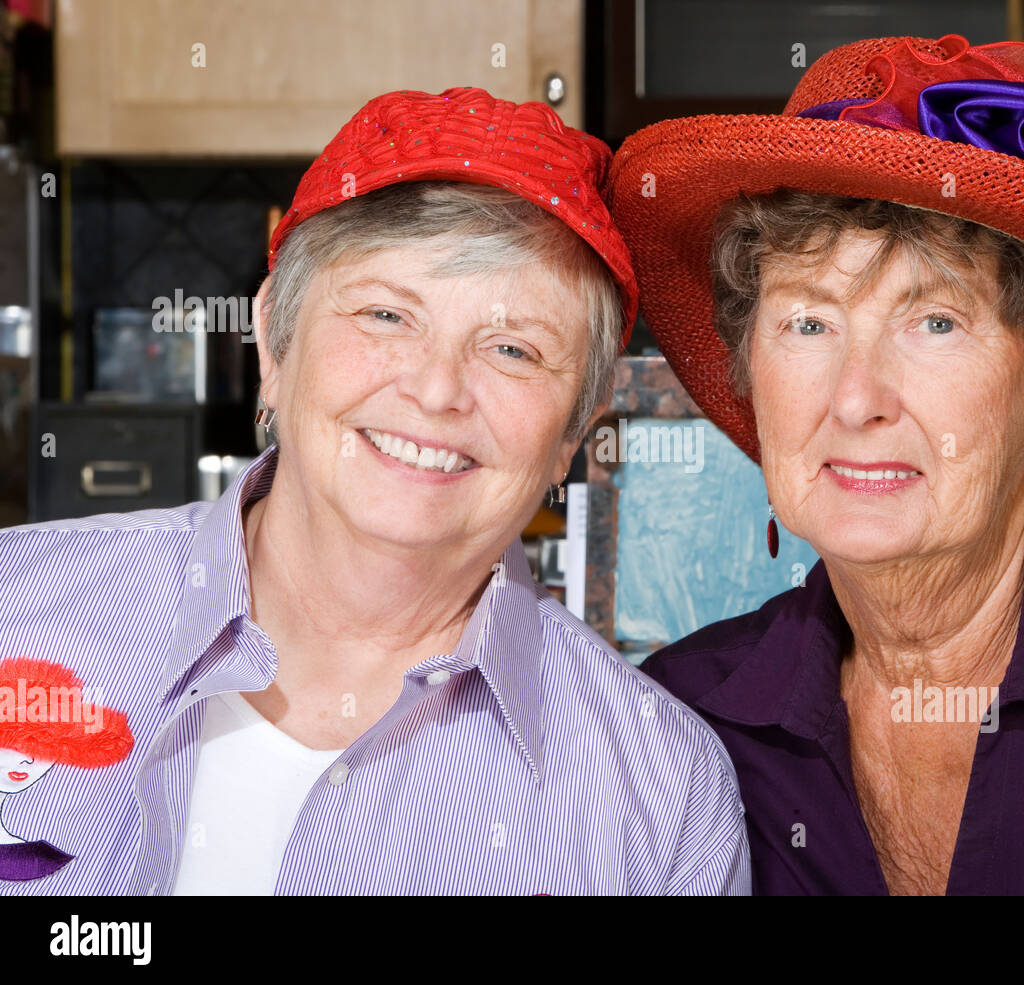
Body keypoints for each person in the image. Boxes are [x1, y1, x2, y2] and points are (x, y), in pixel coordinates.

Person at [0, 87, 749, 895]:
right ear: (275, 345)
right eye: (387, 315)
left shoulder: (665, 798)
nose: (436, 391)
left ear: (574, 430)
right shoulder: (16, 599)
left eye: (513, 349)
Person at [609, 34, 1024, 895]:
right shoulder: (682, 718)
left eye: (934, 322)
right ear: (752, 377)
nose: (857, 400)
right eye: (809, 323)